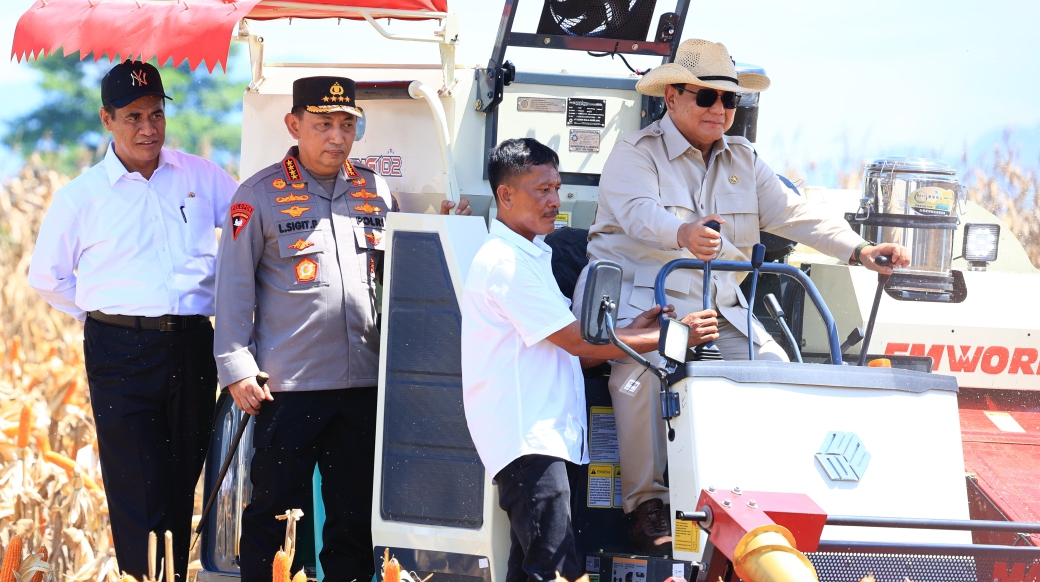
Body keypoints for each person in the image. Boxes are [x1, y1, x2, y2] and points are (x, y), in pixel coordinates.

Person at [571, 38, 912, 554]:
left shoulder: (745, 159)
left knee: (773, 372)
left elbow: (794, 214)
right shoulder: (634, 153)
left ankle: (751, 500)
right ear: (671, 98)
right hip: (648, 306)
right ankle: (647, 506)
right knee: (638, 377)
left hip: (720, 310)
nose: (720, 109)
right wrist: (682, 233)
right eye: (706, 96)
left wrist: (860, 249)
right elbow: (640, 213)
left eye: (730, 99)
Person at [213, 76, 470, 582]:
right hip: (289, 387)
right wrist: (236, 367)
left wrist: (441, 229)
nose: (337, 137)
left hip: (363, 385)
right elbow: (233, 287)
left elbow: (401, 271)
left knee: (353, 518)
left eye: (347, 125)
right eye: (323, 125)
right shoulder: (258, 195)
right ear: (294, 125)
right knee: (275, 513)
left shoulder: (374, 189)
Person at [460, 138, 717, 582]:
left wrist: (634, 331)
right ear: (505, 195)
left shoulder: (530, 256)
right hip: (530, 443)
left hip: (545, 441)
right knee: (556, 569)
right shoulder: (506, 263)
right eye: (542, 190)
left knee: (531, 568)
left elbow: (572, 354)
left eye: (557, 188)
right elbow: (579, 342)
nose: (555, 201)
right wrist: (674, 337)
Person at [27, 60, 239, 579]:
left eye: (156, 114)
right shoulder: (81, 197)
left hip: (193, 345)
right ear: (107, 119)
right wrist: (103, 316)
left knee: (182, 482)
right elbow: (47, 276)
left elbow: (247, 227)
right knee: (138, 491)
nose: (148, 128)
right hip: (119, 352)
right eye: (133, 117)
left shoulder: (200, 176)